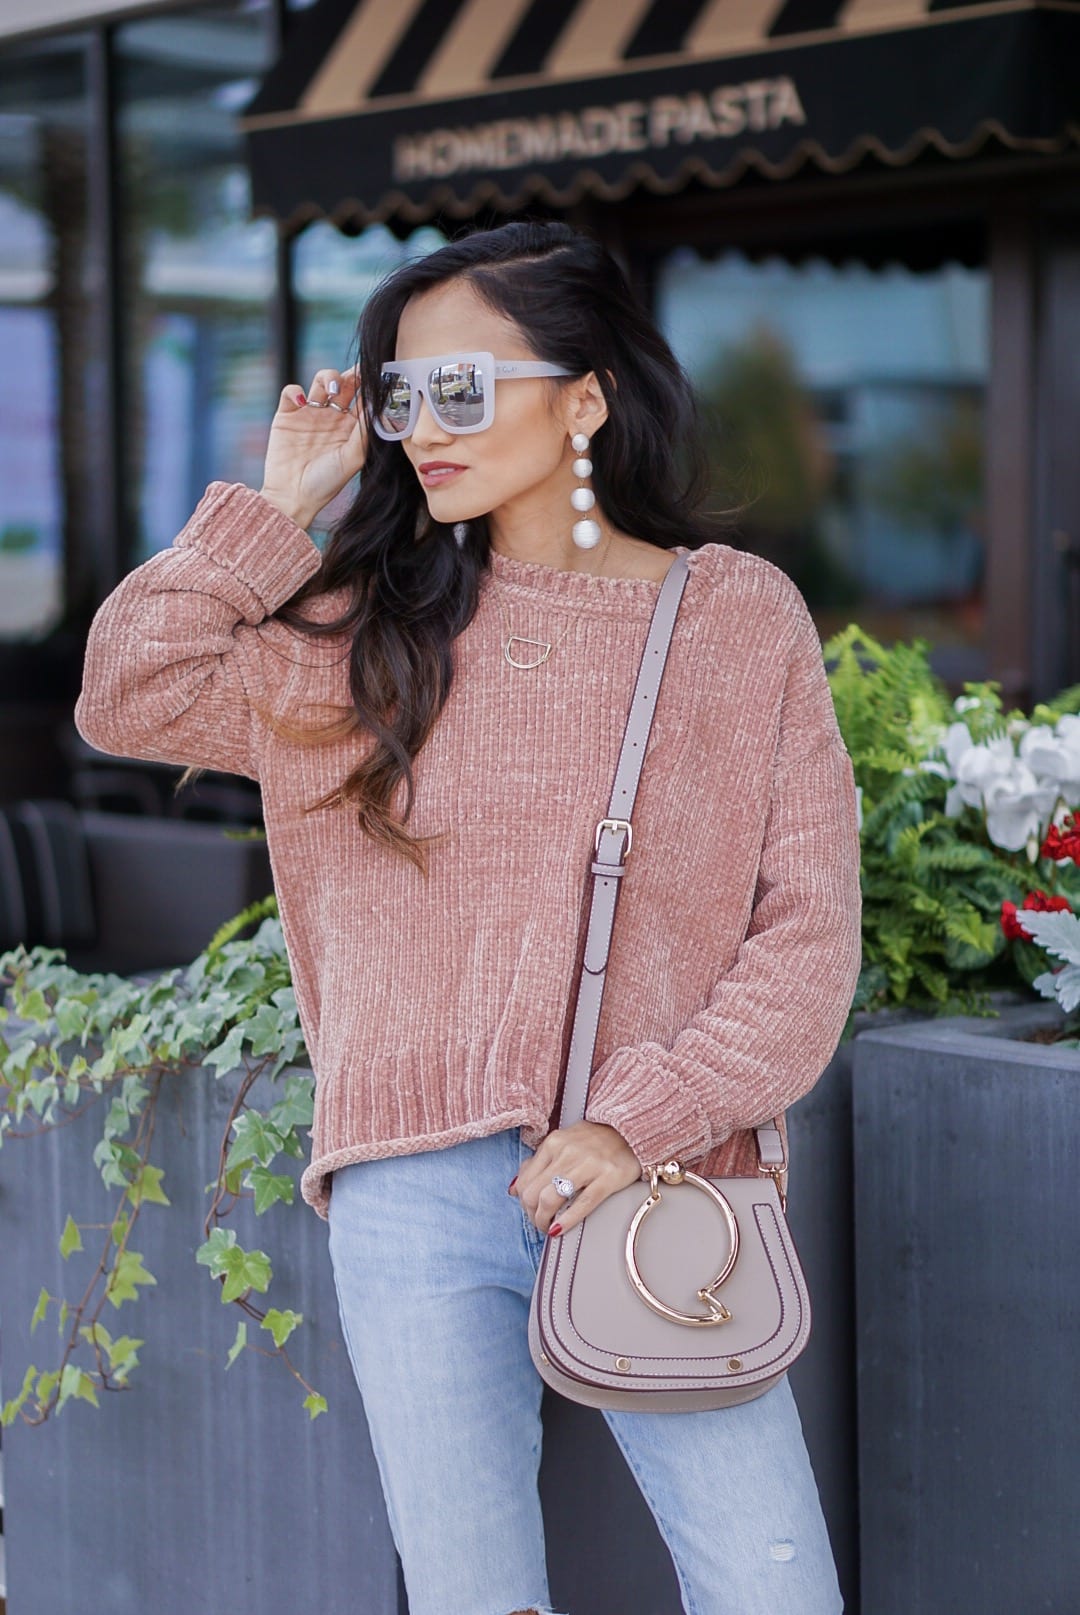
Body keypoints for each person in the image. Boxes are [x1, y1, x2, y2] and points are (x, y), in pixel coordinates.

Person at [75, 219, 862, 1615]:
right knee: (472, 1599)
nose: (421, 430)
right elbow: (127, 691)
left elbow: (804, 935)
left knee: (772, 1587)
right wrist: (278, 511)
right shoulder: (360, 625)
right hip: (408, 1185)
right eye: (401, 396)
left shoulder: (734, 619)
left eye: (462, 390)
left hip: (658, 1180)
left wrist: (643, 1120)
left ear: (588, 396)